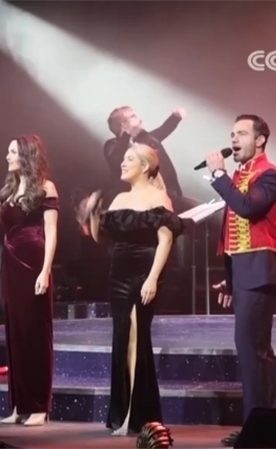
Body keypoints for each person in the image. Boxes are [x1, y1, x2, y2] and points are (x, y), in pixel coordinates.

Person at [78, 143, 183, 436]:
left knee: (136, 338)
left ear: (145, 166)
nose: (122, 163)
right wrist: (93, 214)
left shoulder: (159, 197)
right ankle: (124, 411)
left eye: (129, 159)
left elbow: (165, 241)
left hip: (144, 273)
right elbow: (101, 239)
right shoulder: (120, 198)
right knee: (122, 338)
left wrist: (152, 278)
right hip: (119, 275)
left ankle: (134, 415)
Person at [204, 114, 276, 447]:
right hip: (244, 272)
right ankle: (265, 427)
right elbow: (232, 234)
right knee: (254, 352)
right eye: (232, 134)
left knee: (254, 352)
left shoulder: (270, 175)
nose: (234, 139)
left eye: (241, 133)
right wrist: (230, 278)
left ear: (260, 139)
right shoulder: (240, 175)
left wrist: (218, 174)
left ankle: (258, 431)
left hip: (261, 270)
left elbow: (248, 208)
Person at [0, 135, 59, 427]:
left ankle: (39, 406)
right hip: (10, 263)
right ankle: (19, 405)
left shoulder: (45, 188)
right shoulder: (7, 190)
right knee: (15, 333)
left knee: (36, 334)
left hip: (33, 262)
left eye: (12, 151)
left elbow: (51, 232)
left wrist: (45, 270)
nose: (7, 156)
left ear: (26, 154)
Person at [103, 106, 186, 201]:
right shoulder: (112, 145)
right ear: (123, 125)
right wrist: (127, 133)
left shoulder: (147, 138)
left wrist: (176, 117)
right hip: (147, 202)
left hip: (172, 196)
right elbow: (115, 161)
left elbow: (163, 130)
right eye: (133, 116)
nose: (140, 120)